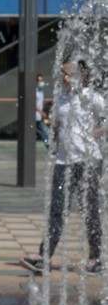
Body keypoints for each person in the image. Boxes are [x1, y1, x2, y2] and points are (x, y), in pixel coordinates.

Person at [20, 61, 104, 274]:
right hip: (63, 162)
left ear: (81, 76)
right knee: (57, 209)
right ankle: (44, 257)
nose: (64, 77)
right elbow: (57, 127)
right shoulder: (60, 98)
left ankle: (96, 258)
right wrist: (59, 144)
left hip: (88, 161)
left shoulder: (91, 97)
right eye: (62, 73)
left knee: (89, 210)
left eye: (68, 73)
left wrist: (94, 134)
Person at [35, 73, 50, 149]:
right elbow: (33, 103)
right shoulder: (35, 91)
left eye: (42, 80)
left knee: (44, 133)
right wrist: (41, 112)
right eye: (40, 81)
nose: (41, 82)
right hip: (35, 117)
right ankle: (49, 147)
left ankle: (49, 146)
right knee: (45, 132)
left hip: (39, 118)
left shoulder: (41, 92)